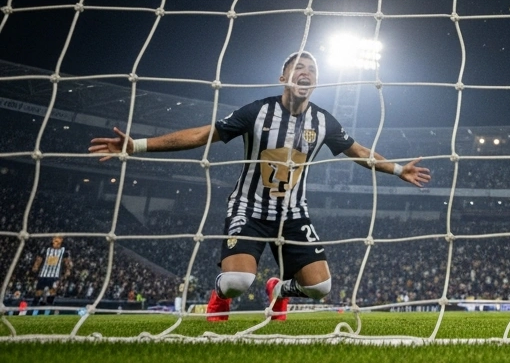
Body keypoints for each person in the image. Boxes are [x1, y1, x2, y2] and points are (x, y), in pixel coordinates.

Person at [88, 51, 431, 321]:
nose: (305, 71)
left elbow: (358, 152)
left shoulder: (323, 121)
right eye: (298, 66)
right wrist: (138, 145)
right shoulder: (257, 112)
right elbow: (203, 134)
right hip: (248, 208)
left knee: (320, 288)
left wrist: (398, 169)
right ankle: (219, 296)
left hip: (294, 213)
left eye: (311, 68)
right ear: (283, 76)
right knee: (237, 284)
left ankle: (278, 289)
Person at [31, 235, 71, 315]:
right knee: (38, 292)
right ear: (52, 240)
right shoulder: (46, 249)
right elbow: (39, 259)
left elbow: (67, 261)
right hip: (43, 274)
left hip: (55, 275)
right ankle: (33, 311)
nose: (56, 239)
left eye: (59, 238)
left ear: (61, 240)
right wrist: (35, 266)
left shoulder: (64, 250)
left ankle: (47, 312)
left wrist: (68, 270)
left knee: (52, 292)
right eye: (55, 238)